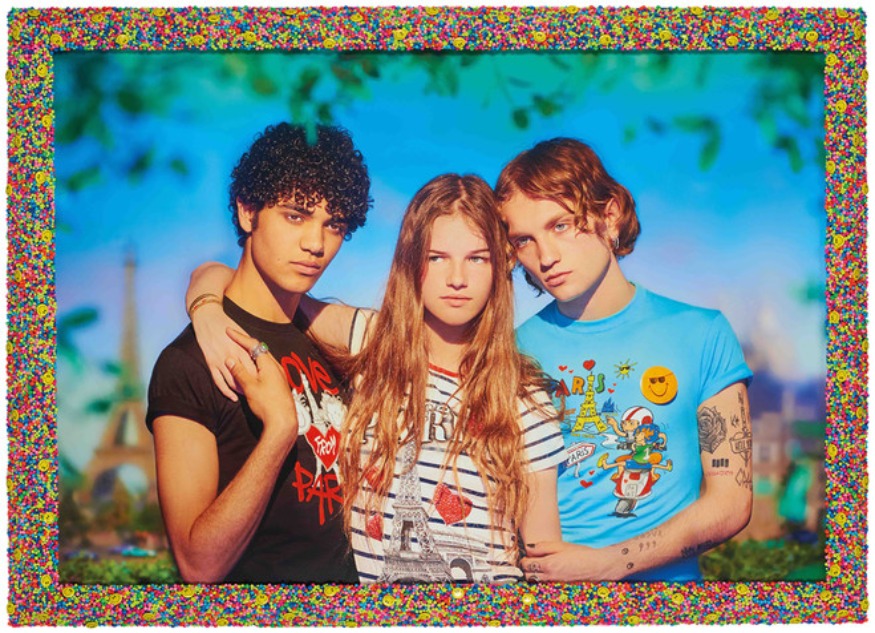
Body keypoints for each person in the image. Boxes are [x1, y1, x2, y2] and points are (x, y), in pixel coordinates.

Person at [188, 174, 565, 584]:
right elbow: (243, 281)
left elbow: (544, 555)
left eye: (477, 259)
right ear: (410, 261)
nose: (457, 278)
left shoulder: (524, 396)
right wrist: (206, 310)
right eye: (436, 258)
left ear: (502, 265)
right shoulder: (371, 341)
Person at [495, 138, 753, 582]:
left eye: (560, 225)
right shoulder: (511, 351)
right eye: (525, 240)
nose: (546, 256)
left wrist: (606, 564)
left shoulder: (702, 333)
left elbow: (732, 502)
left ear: (610, 214)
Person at [145, 122, 371, 583]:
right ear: (248, 212)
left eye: (333, 225)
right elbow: (198, 565)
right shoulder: (191, 360)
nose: (315, 244)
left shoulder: (332, 346)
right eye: (295, 216)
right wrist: (280, 430)